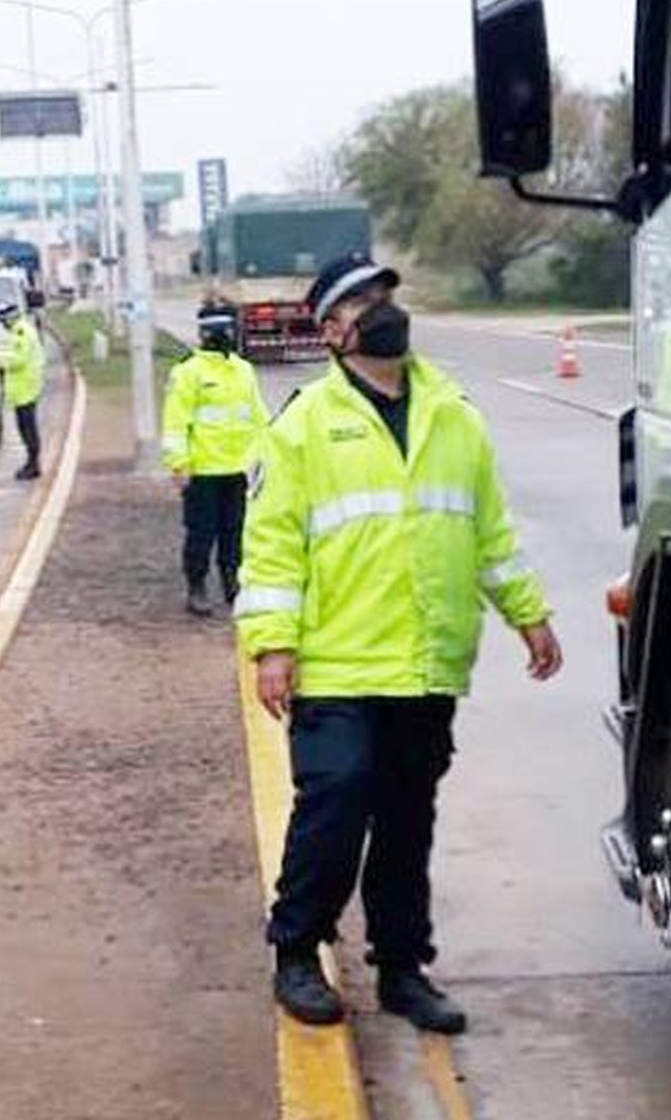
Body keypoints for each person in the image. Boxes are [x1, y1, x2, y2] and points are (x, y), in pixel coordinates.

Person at [236, 253, 562, 1033]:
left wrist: (529, 612)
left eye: (383, 293)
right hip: (340, 659)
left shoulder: (455, 415)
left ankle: (403, 967)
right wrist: (272, 645)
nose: (380, 307)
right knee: (337, 800)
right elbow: (272, 543)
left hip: (426, 660)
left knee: (408, 816)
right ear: (331, 330)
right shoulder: (304, 426)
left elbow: (488, 533)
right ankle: (295, 949)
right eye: (359, 301)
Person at [162, 304, 269, 616]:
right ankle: (196, 588)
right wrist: (178, 464)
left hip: (237, 469)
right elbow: (175, 422)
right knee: (201, 533)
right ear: (206, 333)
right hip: (202, 471)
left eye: (229, 329)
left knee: (235, 533)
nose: (227, 336)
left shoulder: (243, 370)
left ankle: (232, 586)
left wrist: (269, 454)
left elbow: (258, 416)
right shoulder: (188, 372)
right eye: (221, 330)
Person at [0, 304, 45, 481]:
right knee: (24, 427)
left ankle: (33, 464)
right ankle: (31, 463)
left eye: (4, 320)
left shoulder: (22, 333)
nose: (3, 324)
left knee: (28, 428)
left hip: (26, 388)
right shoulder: (17, 332)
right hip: (22, 389)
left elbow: (19, 359)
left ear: (10, 318)